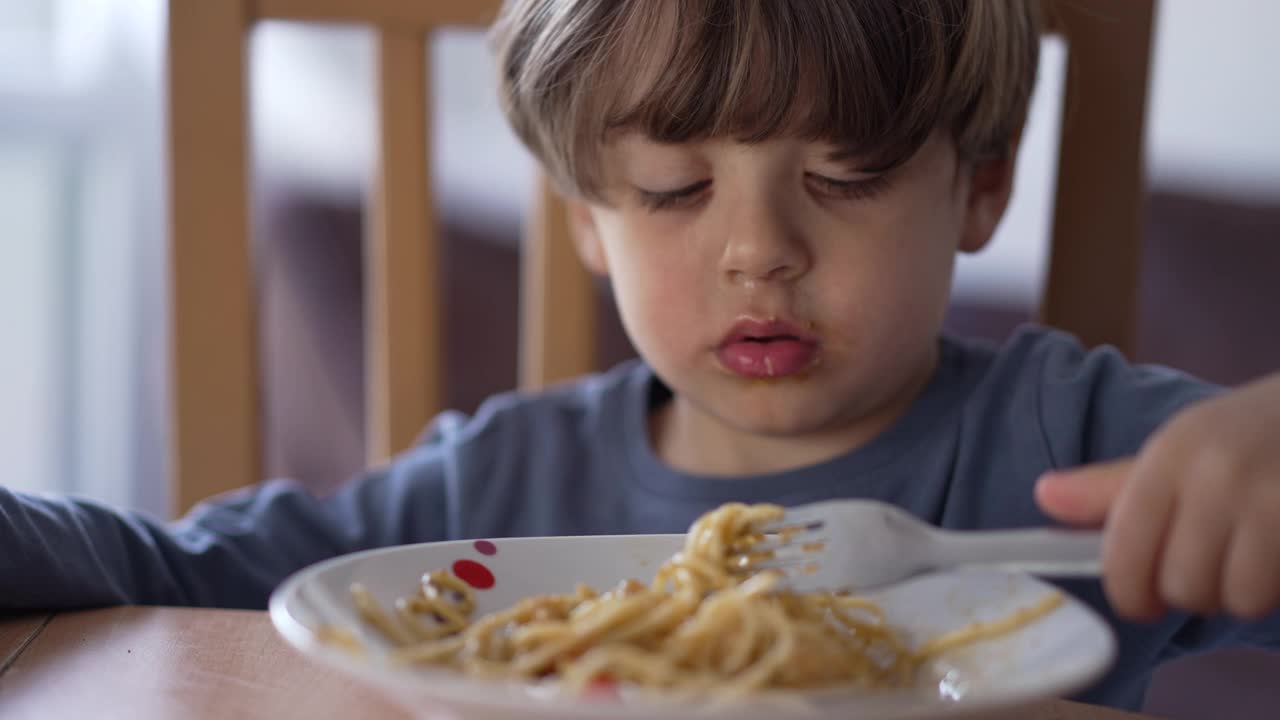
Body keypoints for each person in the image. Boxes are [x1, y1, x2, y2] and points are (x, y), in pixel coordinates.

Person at [3, 0, 1279, 711]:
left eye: (843, 176)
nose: (757, 252)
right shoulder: (490, 502)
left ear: (981, 190)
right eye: (674, 190)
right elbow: (180, 574)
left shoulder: (1080, 456)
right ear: (585, 221)